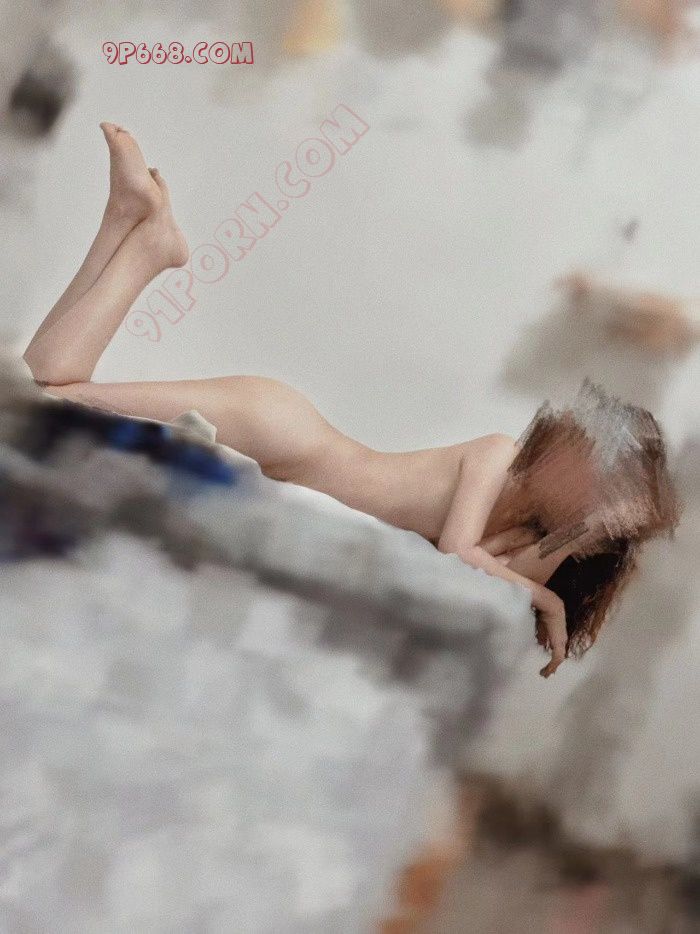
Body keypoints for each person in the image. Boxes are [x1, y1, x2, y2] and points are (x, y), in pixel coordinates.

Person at [22, 124, 679, 677]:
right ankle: (143, 243)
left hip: (286, 453)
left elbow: (505, 573)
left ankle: (130, 225)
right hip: (282, 429)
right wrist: (550, 601)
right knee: (48, 397)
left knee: (47, 394)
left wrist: (579, 555)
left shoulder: (529, 534)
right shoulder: (497, 456)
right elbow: (457, 554)